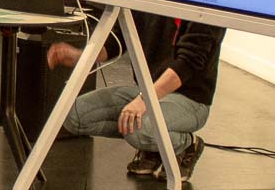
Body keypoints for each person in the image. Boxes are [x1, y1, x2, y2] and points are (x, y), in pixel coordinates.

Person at [47, 12, 225, 180]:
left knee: (138, 129)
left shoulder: (203, 3)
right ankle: (153, 146)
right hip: (147, 90)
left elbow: (188, 63)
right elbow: (117, 40)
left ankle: (187, 144)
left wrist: (143, 101)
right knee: (74, 115)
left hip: (191, 100)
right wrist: (79, 56)